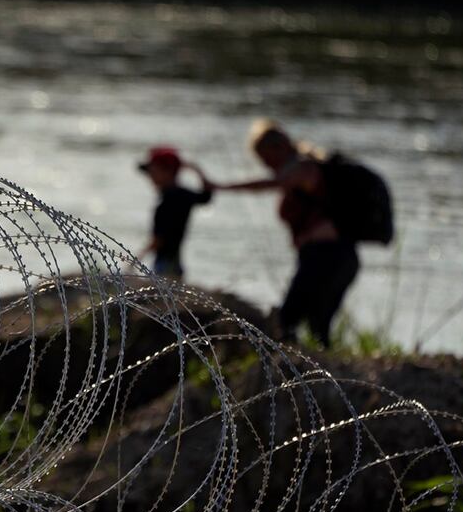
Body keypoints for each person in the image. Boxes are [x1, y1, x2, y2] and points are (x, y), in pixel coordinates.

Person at [209, 120, 358, 348]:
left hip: (329, 257)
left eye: (267, 159)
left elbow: (269, 184)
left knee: (293, 318)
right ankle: (310, 369)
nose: (268, 165)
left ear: (280, 147)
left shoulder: (304, 169)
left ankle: (302, 372)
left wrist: (221, 187)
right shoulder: (303, 173)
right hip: (327, 257)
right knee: (313, 320)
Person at [137, 145, 213, 280]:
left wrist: (136, 259)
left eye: (153, 171)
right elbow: (206, 196)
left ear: (168, 172)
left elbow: (158, 239)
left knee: (161, 297)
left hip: (164, 264)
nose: (150, 176)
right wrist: (197, 170)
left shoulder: (166, 201)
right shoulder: (184, 195)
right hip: (176, 263)